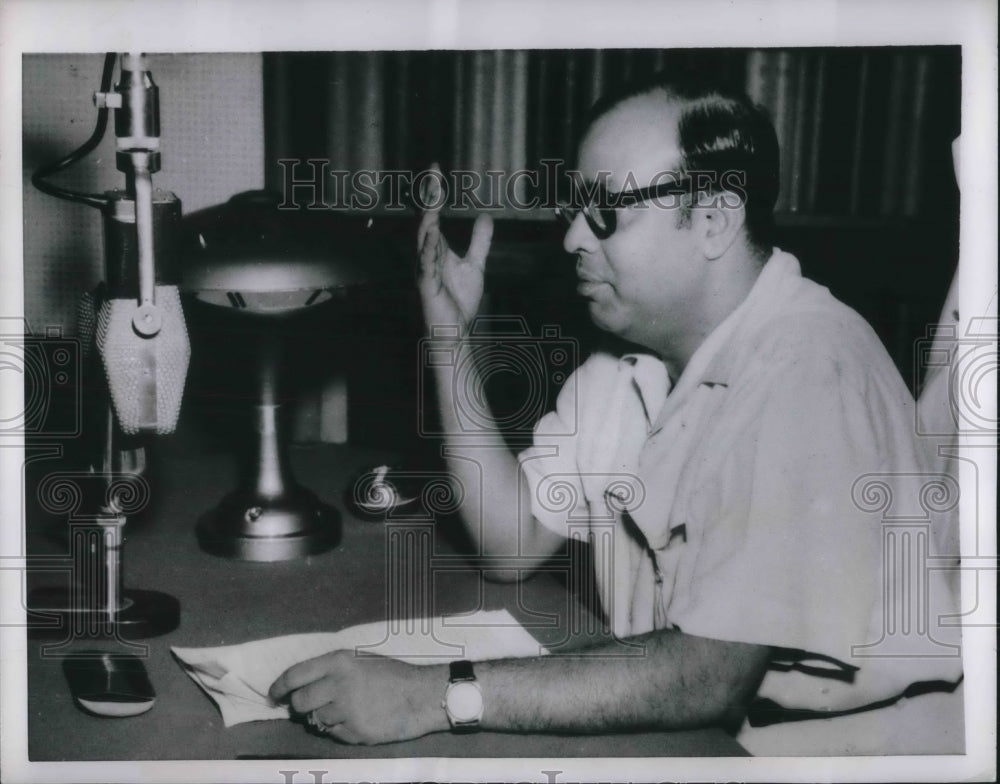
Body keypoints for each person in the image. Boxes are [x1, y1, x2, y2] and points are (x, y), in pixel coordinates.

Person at [269, 75, 964, 754]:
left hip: (834, 754)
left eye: (605, 211)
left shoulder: (811, 367)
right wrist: (452, 339)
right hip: (692, 735)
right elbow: (511, 543)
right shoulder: (629, 363)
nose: (572, 238)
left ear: (714, 220)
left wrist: (431, 696)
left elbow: (708, 676)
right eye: (573, 208)